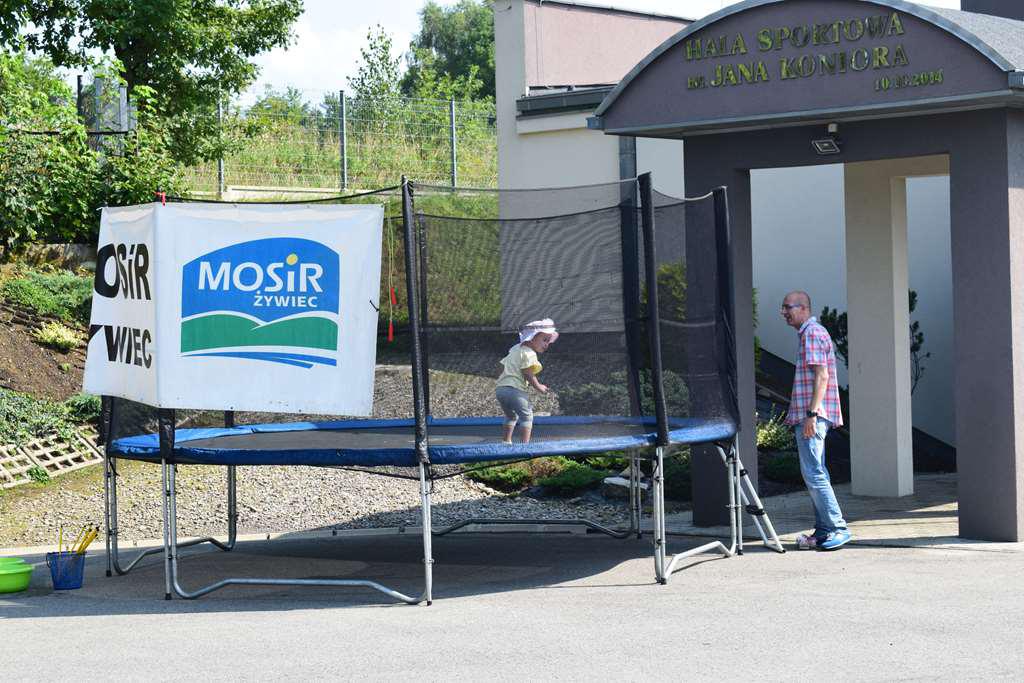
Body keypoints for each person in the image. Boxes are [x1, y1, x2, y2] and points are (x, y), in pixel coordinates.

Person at [781, 291, 852, 551]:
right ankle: (823, 531)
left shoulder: (811, 333)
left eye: (787, 307)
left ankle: (838, 528)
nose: (783, 312)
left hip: (813, 416)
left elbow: (822, 377)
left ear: (803, 308)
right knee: (816, 472)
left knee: (814, 473)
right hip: (814, 415)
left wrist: (811, 415)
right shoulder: (812, 333)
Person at [496, 318, 558, 444]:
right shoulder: (529, 353)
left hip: (501, 390)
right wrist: (538, 386)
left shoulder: (515, 348)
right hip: (515, 390)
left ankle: (506, 442)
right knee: (527, 417)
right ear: (532, 337)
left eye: (548, 341)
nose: (547, 344)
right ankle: (524, 446)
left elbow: (502, 365)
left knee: (511, 416)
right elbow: (528, 373)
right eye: (544, 340)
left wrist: (501, 380)